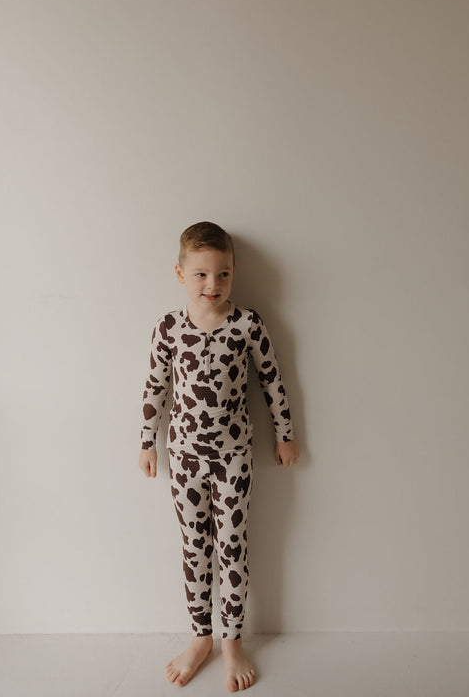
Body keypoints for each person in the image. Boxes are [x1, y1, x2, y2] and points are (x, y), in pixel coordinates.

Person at [138, 221, 299, 692]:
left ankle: (232, 641)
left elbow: (272, 380)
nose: (213, 284)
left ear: (233, 272)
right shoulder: (169, 327)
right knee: (195, 548)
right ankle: (200, 637)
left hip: (233, 459)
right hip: (184, 458)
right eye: (202, 275)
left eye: (223, 274)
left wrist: (285, 434)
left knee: (232, 547)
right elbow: (155, 386)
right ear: (180, 274)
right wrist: (146, 440)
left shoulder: (248, 324)